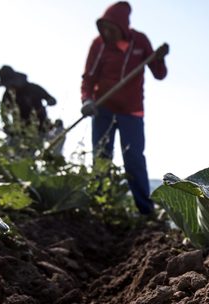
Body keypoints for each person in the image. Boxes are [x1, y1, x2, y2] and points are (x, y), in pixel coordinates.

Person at [80, 1, 169, 215]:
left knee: (134, 159)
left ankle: (146, 212)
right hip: (103, 109)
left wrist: (160, 58)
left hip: (132, 111)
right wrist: (87, 100)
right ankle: (100, 208)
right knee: (101, 158)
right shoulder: (99, 45)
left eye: (111, 28)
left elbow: (159, 74)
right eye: (104, 28)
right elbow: (89, 77)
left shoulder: (140, 41)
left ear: (122, 26)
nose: (107, 33)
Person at [0, 65, 57, 135]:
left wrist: (50, 101)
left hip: (41, 128)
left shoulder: (33, 88)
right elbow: (4, 113)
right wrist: (7, 126)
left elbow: (51, 99)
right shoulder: (8, 95)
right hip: (20, 131)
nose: (9, 86)